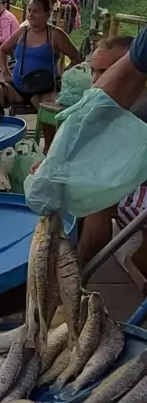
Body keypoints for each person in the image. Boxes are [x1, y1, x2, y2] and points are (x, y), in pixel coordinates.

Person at [75, 37, 147, 269]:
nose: (96, 81)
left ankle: (80, 272)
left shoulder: (139, 111)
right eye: (93, 71)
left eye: (104, 72)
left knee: (95, 196)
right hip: (135, 181)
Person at [0, 0, 80, 114]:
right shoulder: (22, 32)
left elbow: (77, 56)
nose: (30, 15)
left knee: (49, 111)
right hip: (18, 88)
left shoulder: (55, 35)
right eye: (29, 11)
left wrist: (64, 75)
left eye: (35, 11)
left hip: (43, 91)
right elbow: (3, 50)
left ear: (47, 14)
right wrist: (6, 73)